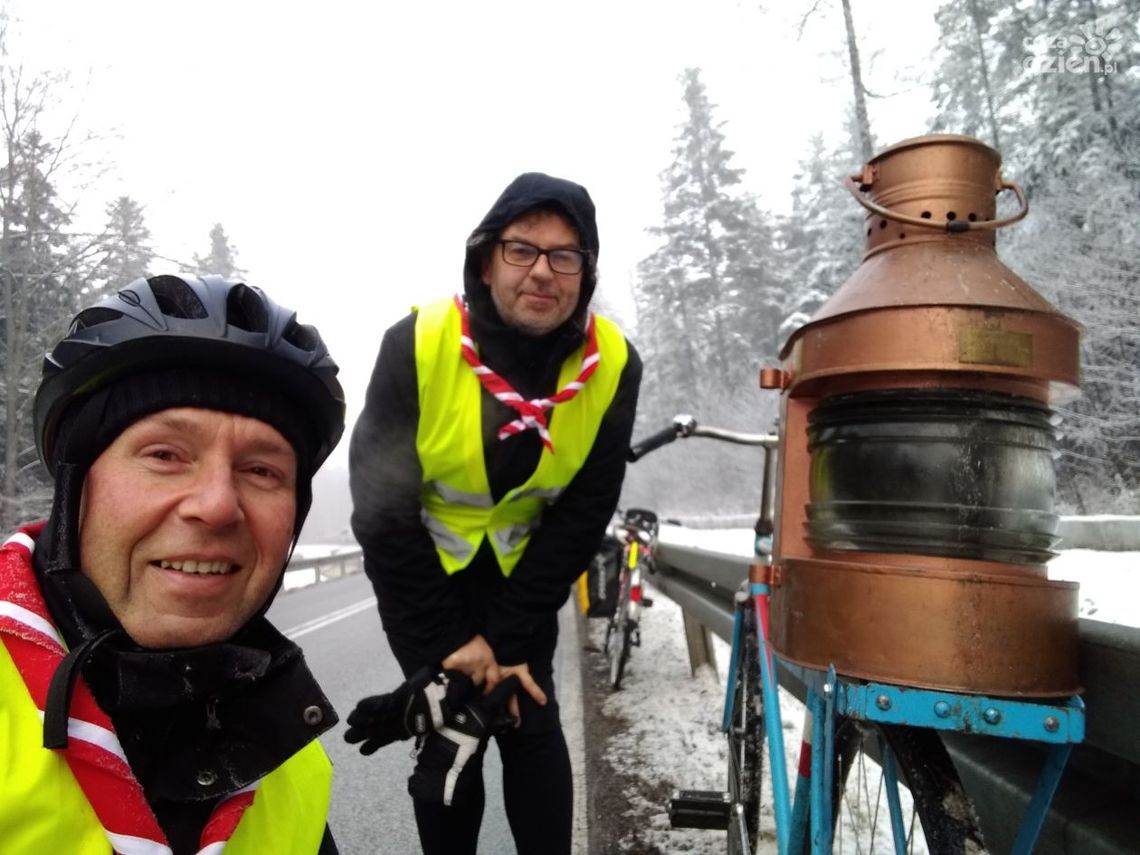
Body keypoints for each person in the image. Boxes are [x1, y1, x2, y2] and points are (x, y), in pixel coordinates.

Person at [348, 172, 642, 854]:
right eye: (521, 249)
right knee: (453, 724)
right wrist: (451, 641)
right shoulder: (416, 342)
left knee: (528, 717)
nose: (541, 271)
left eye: (564, 255)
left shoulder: (614, 365)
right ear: (486, 261)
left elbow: (584, 513)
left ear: (585, 274)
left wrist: (506, 639)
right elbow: (381, 506)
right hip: (424, 577)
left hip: (525, 579)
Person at [0, 274, 347, 854]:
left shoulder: (290, 757)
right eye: (165, 455)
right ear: (74, 488)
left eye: (262, 470)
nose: (217, 506)